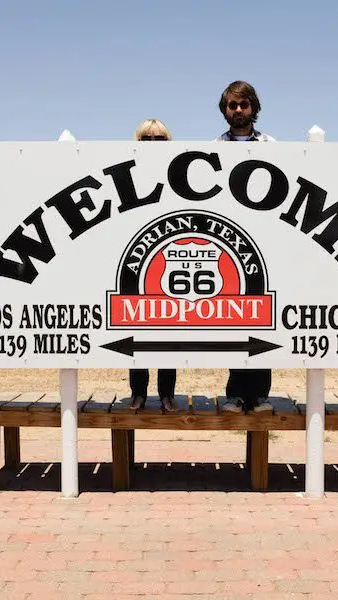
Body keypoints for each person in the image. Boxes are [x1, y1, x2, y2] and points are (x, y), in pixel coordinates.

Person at [213, 81, 274, 413]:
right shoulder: (212, 148)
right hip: (229, 240)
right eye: (232, 106)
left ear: (254, 108)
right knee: (235, 319)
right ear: (225, 110)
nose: (238, 111)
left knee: (262, 317)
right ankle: (236, 393)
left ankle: (260, 394)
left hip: (264, 240)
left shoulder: (272, 146)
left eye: (243, 105)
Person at [128, 118, 177, 412]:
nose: (153, 144)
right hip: (137, 257)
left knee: (169, 332)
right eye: (147, 139)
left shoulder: (178, 173)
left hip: (168, 258)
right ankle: (138, 393)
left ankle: (167, 393)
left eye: (159, 139)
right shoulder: (129, 172)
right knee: (138, 331)